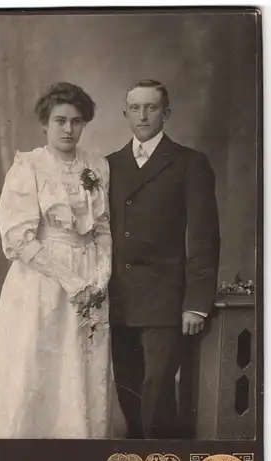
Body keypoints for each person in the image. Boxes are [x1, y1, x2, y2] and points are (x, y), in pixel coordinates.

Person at [0, 82, 112, 439]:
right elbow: (18, 238)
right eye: (60, 120)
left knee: (83, 362)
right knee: (36, 360)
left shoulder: (97, 165)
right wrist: (71, 280)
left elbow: (103, 226)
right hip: (41, 277)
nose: (68, 129)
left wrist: (100, 276)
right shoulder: (28, 166)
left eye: (76, 122)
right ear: (45, 123)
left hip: (90, 276)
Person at [107, 79, 220, 439]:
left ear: (166, 113)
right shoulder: (109, 165)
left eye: (151, 107)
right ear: (125, 113)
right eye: (135, 108)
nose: (143, 115)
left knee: (157, 392)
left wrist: (196, 304)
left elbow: (204, 237)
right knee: (128, 388)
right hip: (120, 298)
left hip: (166, 299)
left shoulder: (189, 163)